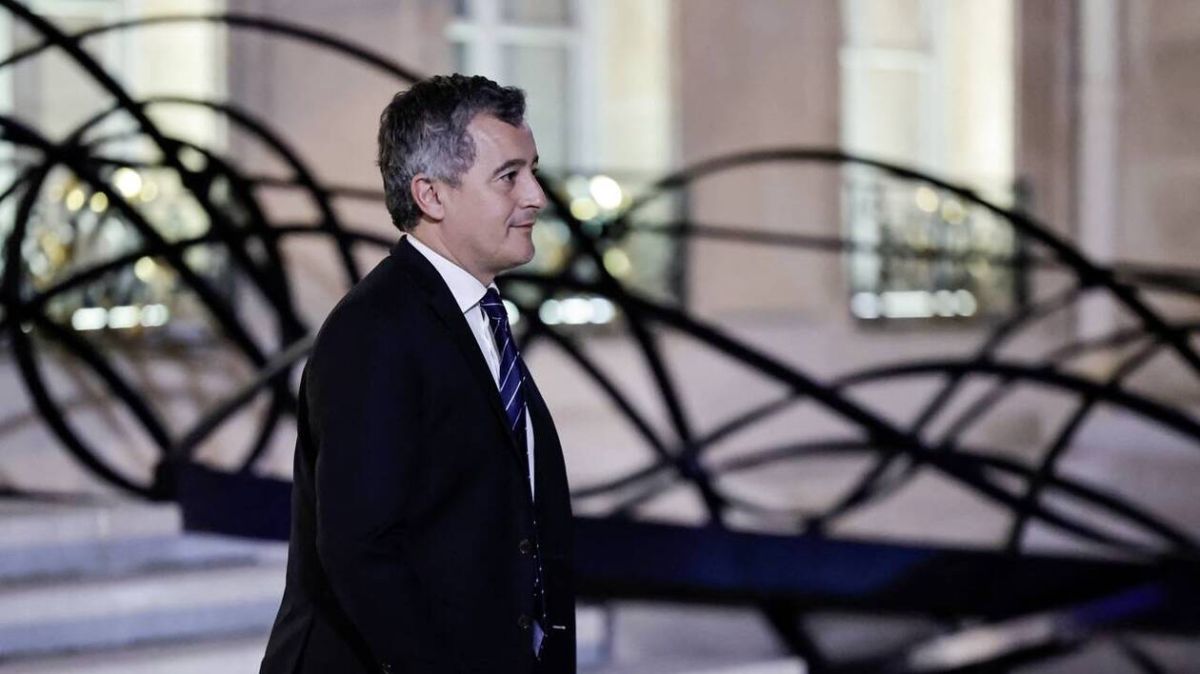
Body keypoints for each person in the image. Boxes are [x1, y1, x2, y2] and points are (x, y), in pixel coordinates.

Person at [259, 74, 575, 674]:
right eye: (509, 176)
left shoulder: (478, 314)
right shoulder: (375, 331)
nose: (536, 196)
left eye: (533, 171)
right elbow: (360, 548)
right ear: (431, 195)